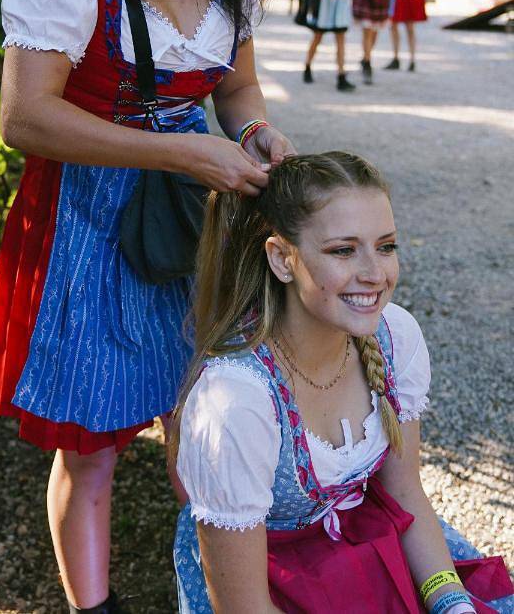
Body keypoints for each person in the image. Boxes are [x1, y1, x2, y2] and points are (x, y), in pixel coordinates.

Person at [0, 0, 295, 614]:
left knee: (203, 415)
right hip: (84, 224)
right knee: (92, 451)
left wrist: (255, 132)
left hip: (192, 221)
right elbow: (26, 119)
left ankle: (219, 586)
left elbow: (235, 91)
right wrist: (181, 157)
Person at [172, 152, 514, 613]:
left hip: (371, 538)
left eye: (387, 246)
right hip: (269, 580)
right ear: (282, 258)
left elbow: (405, 491)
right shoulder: (236, 400)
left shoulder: (394, 337)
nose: (375, 274)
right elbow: (243, 606)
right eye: (343, 250)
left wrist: (451, 603)